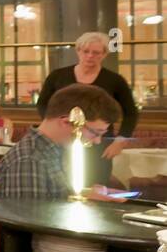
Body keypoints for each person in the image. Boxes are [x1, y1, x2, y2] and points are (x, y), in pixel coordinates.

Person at [36, 32, 139, 185]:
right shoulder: (58, 76)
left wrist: (120, 141)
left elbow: (131, 112)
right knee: (61, 185)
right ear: (78, 51)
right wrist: (57, 126)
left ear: (104, 54)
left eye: (96, 52)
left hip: (97, 143)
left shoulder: (114, 80)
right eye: (86, 51)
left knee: (95, 186)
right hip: (63, 141)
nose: (90, 56)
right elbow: (43, 105)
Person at [0, 85, 124, 201]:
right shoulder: (29, 159)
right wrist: (86, 202)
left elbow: (56, 198)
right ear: (67, 122)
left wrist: (86, 194)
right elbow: (29, 220)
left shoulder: (57, 149)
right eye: (95, 132)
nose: (97, 141)